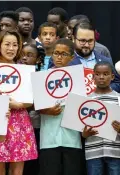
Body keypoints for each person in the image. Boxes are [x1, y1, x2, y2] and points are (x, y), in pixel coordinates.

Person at [0, 30, 37, 175]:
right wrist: (6, 103)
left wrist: (20, 105)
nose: (11, 48)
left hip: (20, 121)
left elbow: (31, 98)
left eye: (15, 45)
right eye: (7, 44)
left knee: (17, 168)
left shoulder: (24, 70)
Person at [39, 38, 83, 175]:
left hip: (72, 137)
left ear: (71, 57)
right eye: (56, 53)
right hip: (49, 137)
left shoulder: (78, 77)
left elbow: (83, 105)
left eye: (63, 54)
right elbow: (34, 104)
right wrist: (46, 110)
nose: (59, 57)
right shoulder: (42, 77)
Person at [82, 61, 120, 175]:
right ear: (93, 76)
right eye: (98, 74)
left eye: (105, 74)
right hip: (93, 150)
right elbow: (81, 130)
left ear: (112, 76)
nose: (101, 77)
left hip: (115, 151)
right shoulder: (85, 100)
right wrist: (84, 134)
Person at [68, 22, 120, 93]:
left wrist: (103, 90)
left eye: (90, 41)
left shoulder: (105, 60)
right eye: (82, 41)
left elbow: (117, 82)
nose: (87, 45)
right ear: (73, 38)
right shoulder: (65, 61)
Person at [18, 43, 45, 175]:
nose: (24, 58)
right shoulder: (13, 76)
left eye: (29, 55)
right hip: (16, 128)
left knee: (32, 164)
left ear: (38, 59)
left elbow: (40, 104)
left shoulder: (41, 78)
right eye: (22, 55)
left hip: (35, 127)